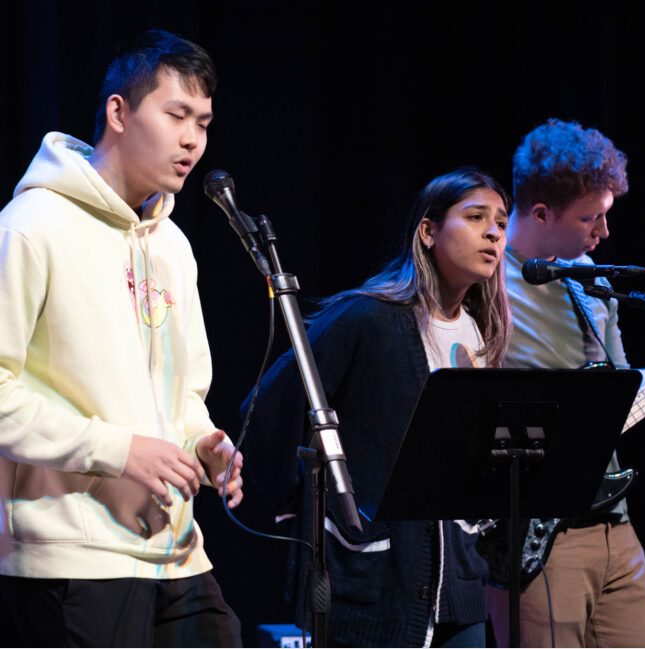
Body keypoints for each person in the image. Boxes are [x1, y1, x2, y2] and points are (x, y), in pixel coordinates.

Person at [0, 30, 243, 647]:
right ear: (118, 112)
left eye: (204, 122)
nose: (193, 139)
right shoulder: (33, 226)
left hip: (179, 552)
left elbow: (184, 396)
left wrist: (205, 445)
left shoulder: (173, 245)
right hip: (73, 557)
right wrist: (119, 449)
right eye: (176, 114)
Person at [486, 118, 645, 647]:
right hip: (535, 537)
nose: (603, 233)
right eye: (590, 218)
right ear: (540, 213)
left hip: (615, 525)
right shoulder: (483, 279)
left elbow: (620, 389)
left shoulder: (592, 281)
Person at [243, 168, 512, 647]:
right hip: (373, 583)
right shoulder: (369, 317)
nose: (493, 232)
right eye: (475, 218)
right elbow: (271, 408)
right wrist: (300, 512)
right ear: (428, 232)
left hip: (459, 589)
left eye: (501, 223)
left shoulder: (481, 336)